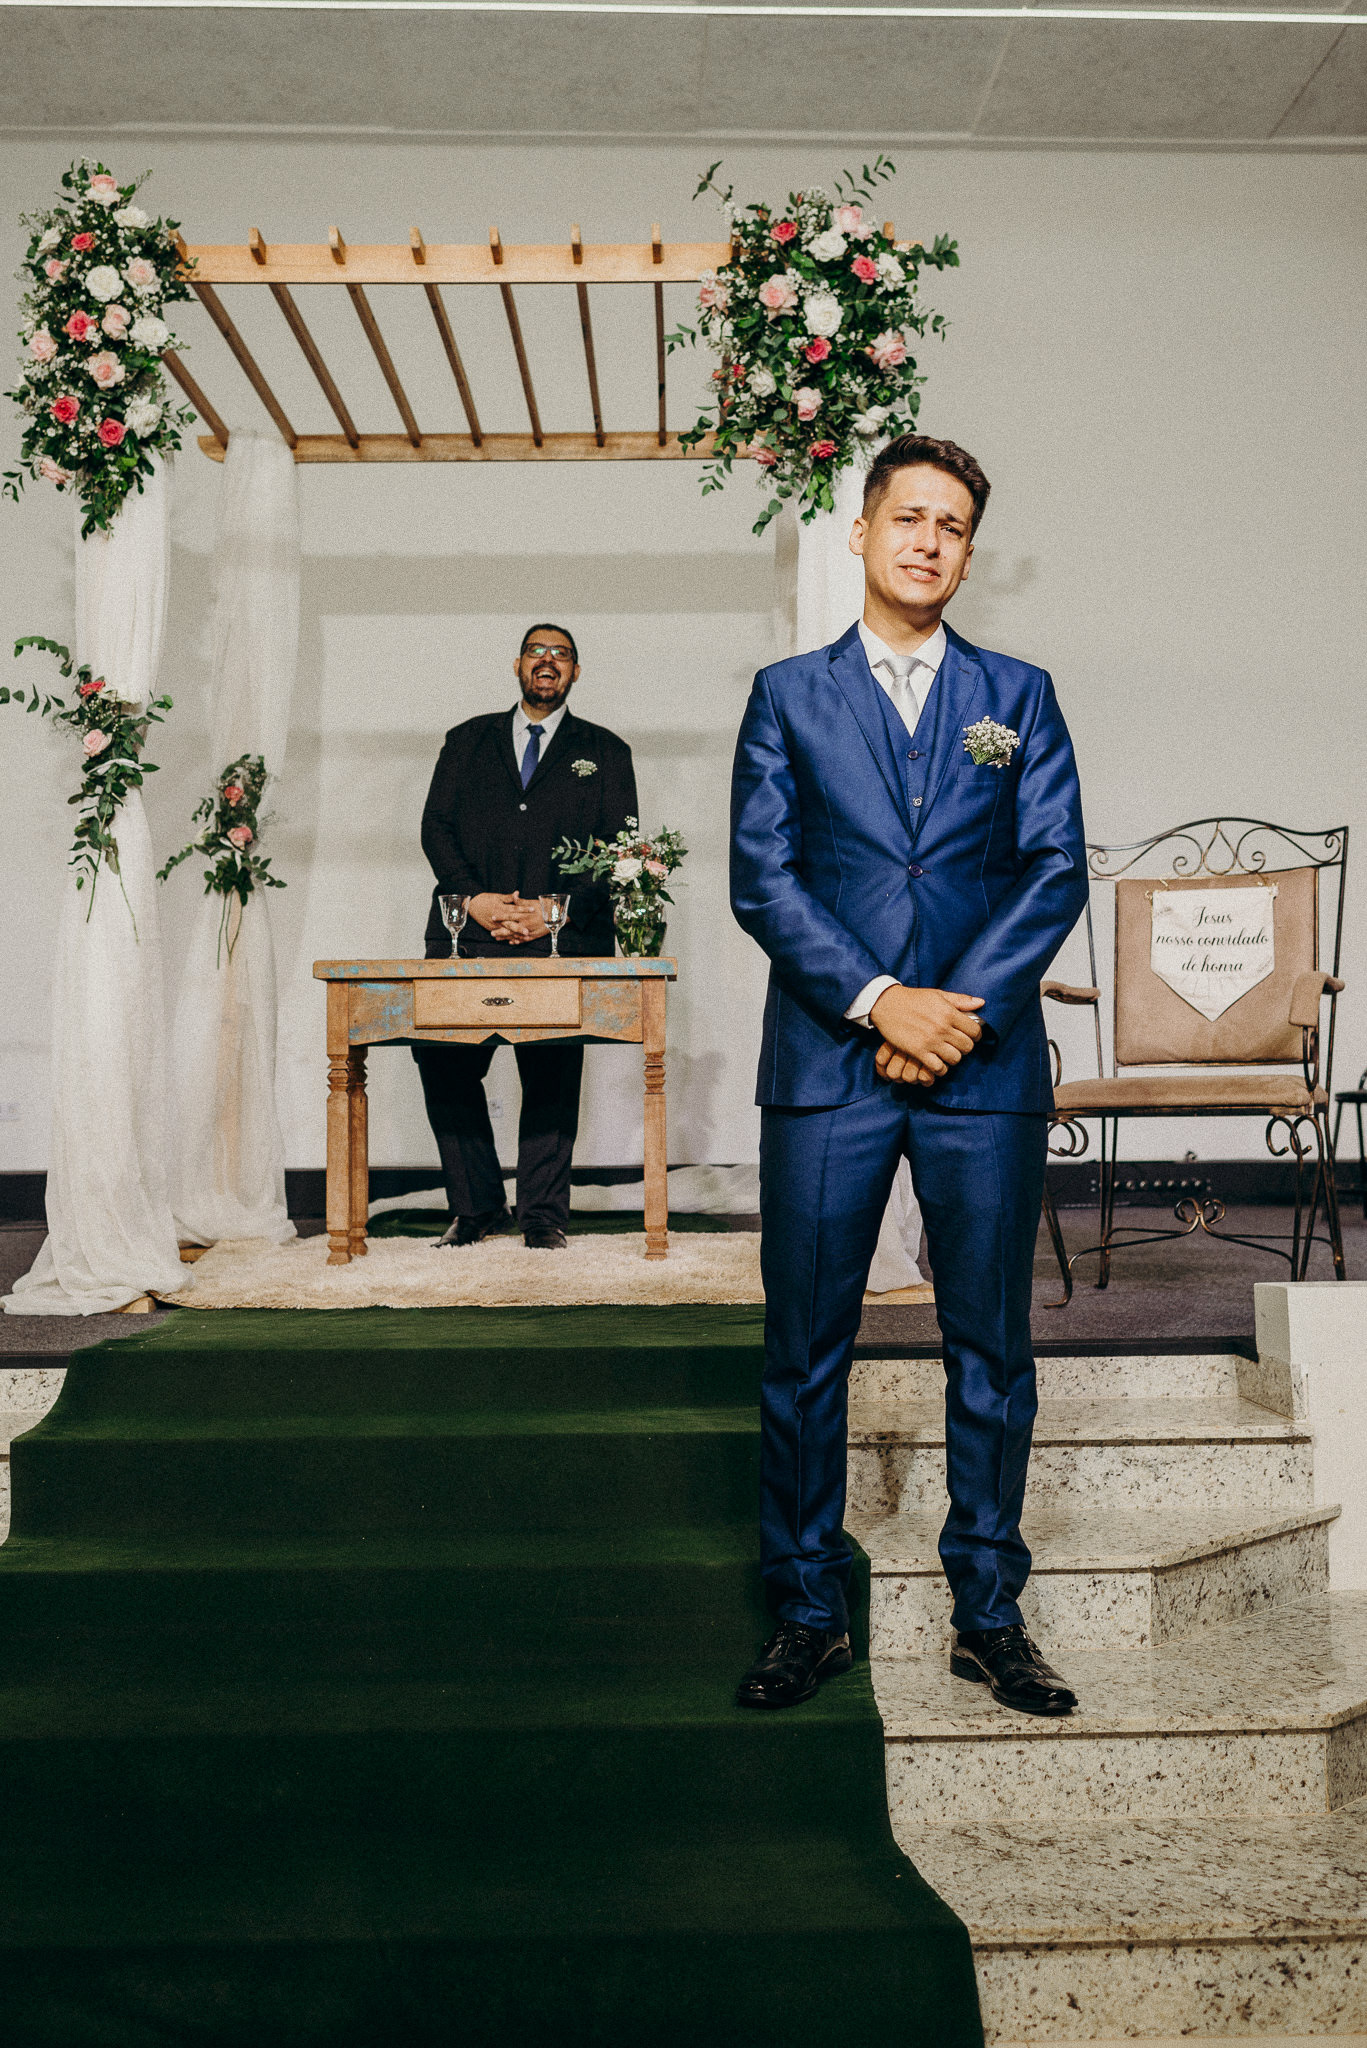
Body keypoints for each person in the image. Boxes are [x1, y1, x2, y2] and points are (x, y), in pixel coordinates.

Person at [729, 434, 1088, 1716]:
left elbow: (1052, 866)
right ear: (862, 532)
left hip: (981, 1068)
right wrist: (883, 1000)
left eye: (950, 525)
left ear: (967, 553)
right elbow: (761, 875)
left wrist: (951, 1013)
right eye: (907, 517)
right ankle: (805, 1610)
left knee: (988, 1345)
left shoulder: (1017, 695)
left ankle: (987, 1613)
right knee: (802, 1346)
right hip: (828, 1061)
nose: (927, 540)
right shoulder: (786, 694)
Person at [415, 623, 637, 1250]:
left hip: (561, 939)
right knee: (442, 1059)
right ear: (517, 665)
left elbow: (621, 847)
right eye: (537, 652)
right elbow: (435, 827)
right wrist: (476, 900)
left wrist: (554, 911)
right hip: (467, 932)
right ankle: (477, 1206)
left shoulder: (607, 751)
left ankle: (542, 1215)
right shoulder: (466, 740)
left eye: (561, 654)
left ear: (575, 672)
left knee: (552, 1072)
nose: (548, 661)